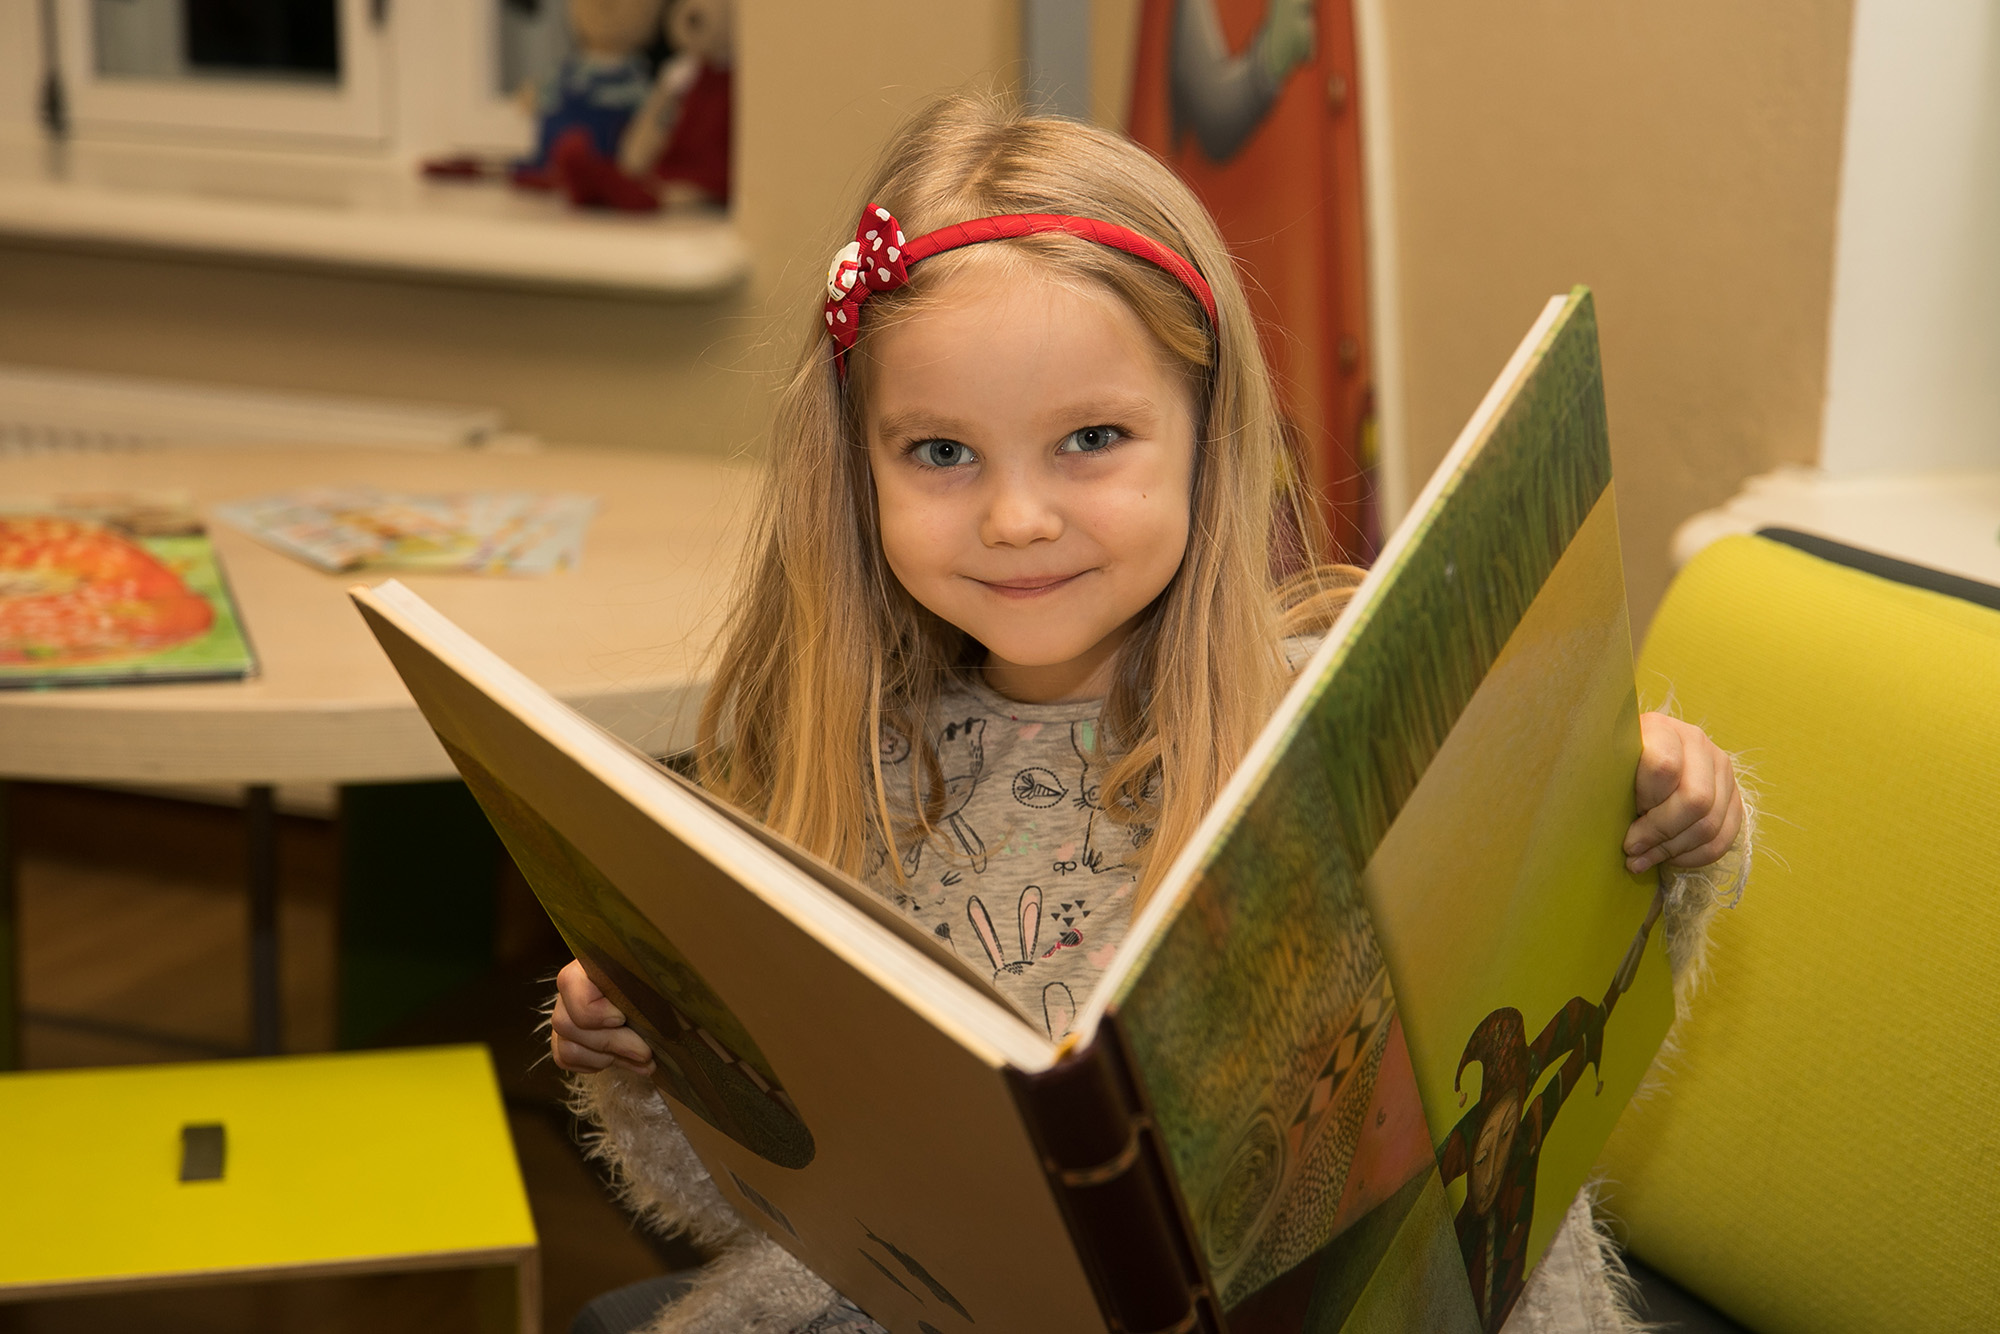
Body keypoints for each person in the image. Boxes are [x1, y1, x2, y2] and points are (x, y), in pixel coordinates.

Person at [547, 93, 1747, 1334]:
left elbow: (1554, 1017)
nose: (1017, 518)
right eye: (940, 452)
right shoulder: (842, 773)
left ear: (1204, 437)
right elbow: (755, 1209)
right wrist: (652, 1058)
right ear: (857, 466)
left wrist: (1653, 812)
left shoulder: (1341, 711)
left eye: (1091, 437)